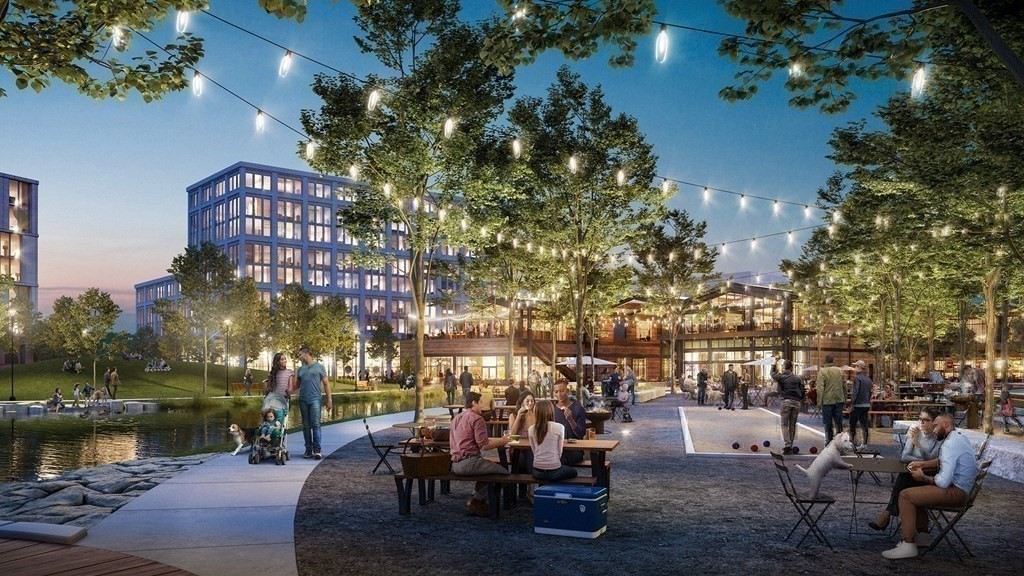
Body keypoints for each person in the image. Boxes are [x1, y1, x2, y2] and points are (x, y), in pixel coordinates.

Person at [882, 413, 979, 559]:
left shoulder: (948, 444)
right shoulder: (959, 438)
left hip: (956, 493)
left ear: (945, 425)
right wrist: (923, 464)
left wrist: (924, 477)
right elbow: (943, 460)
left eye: (936, 425)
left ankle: (908, 545)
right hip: (964, 490)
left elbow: (943, 482)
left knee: (906, 495)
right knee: (916, 490)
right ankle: (923, 536)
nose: (933, 429)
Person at [869, 407, 943, 532]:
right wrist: (919, 460)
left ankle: (887, 514)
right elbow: (904, 456)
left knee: (905, 477)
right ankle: (891, 516)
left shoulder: (939, 437)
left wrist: (916, 444)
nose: (921, 423)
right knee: (906, 475)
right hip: (913, 472)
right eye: (920, 419)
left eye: (926, 420)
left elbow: (932, 457)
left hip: (930, 474)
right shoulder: (915, 430)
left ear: (934, 422)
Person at [450, 391, 511, 517]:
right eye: (481, 403)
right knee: (506, 474)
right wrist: (503, 441)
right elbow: (484, 445)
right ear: (474, 403)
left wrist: (497, 440)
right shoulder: (477, 419)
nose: (483, 406)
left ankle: (476, 499)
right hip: (469, 463)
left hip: (455, 463)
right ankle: (476, 500)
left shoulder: (456, 418)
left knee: (487, 470)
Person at [296, 347, 332, 459]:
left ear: (306, 354)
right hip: (302, 399)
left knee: (316, 424)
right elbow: (297, 385)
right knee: (306, 425)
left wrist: (329, 400)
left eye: (300, 355)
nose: (299, 357)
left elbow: (326, 384)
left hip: (315, 399)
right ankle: (308, 450)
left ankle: (317, 450)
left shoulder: (319, 367)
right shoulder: (300, 369)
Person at [530, 400, 579, 482]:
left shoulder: (531, 429)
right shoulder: (560, 427)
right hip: (554, 470)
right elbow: (559, 452)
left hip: (537, 471)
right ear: (551, 412)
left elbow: (534, 451)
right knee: (574, 472)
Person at [771, 360, 804, 455]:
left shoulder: (781, 377)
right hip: (796, 402)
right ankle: (791, 445)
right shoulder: (797, 378)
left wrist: (774, 362)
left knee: (784, 424)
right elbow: (802, 391)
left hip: (786, 401)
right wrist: (799, 399)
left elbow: (772, 373)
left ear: (784, 367)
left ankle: (787, 446)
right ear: (792, 368)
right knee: (792, 424)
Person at [552, 380, 587, 465]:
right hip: (555, 448)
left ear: (567, 391)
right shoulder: (551, 409)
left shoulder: (578, 408)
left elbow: (581, 433)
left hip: (573, 450)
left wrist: (571, 419)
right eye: (556, 392)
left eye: (562, 391)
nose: (559, 394)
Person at [816, 355, 847, 445]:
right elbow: (844, 385)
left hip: (827, 401)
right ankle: (839, 442)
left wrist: (819, 402)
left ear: (825, 361)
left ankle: (828, 441)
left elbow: (820, 388)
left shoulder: (822, 371)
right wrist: (844, 398)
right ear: (833, 360)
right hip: (839, 400)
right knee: (838, 422)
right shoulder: (840, 370)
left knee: (827, 422)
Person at [850, 360, 872, 450]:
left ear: (859, 367)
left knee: (852, 424)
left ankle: (852, 444)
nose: (854, 368)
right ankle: (865, 444)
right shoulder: (868, 379)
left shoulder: (857, 378)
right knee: (864, 425)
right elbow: (869, 392)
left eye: (855, 366)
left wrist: (852, 403)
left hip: (857, 404)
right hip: (866, 404)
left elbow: (855, 392)